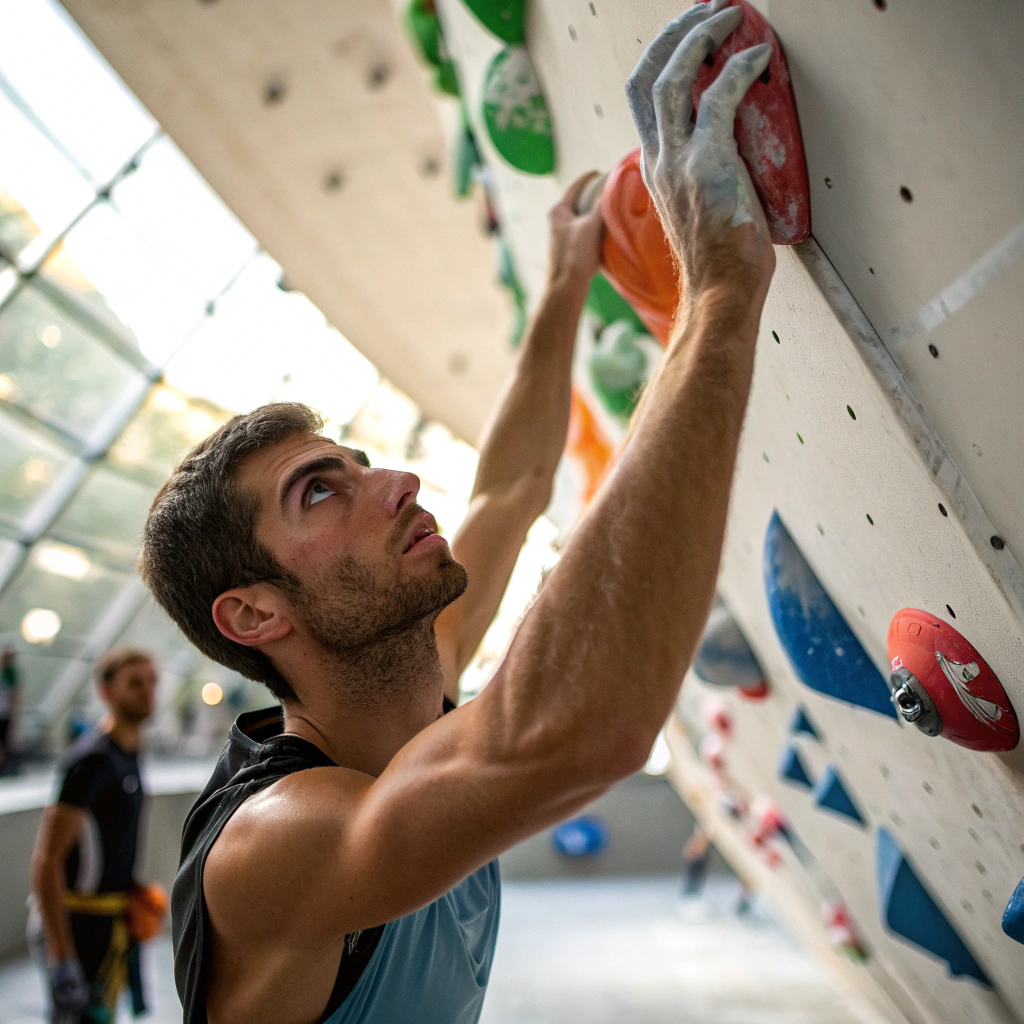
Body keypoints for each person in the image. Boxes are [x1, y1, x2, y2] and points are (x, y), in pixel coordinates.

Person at [138, 3, 776, 1022]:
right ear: (256, 614)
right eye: (321, 492)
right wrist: (720, 299)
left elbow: (511, 489)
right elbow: (580, 729)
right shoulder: (273, 840)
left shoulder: (405, 677)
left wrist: (566, 282)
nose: (396, 481)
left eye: (357, 463)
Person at [29, 647, 161, 1024]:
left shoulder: (130, 755)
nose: (147, 691)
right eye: (134, 683)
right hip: (76, 924)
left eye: (151, 681)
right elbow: (47, 859)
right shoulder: (91, 761)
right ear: (106, 692)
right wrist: (62, 956)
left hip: (109, 924)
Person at [0, 647, 20, 774]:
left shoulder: (10, 673)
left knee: (5, 741)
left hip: (5, 713)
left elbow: (15, 694)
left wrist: (14, 712)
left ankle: (6, 766)